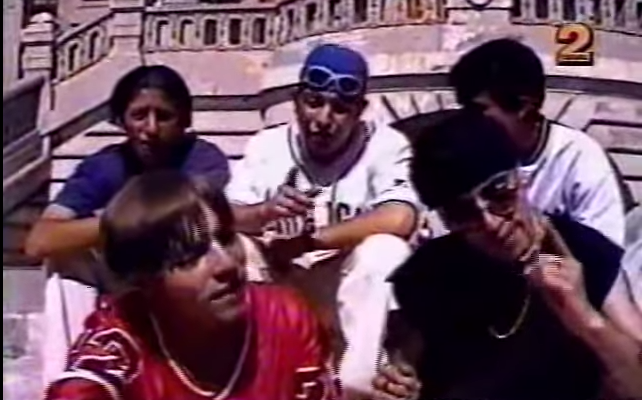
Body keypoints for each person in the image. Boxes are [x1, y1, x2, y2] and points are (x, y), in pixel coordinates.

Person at [389, 110, 642, 400]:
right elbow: (405, 366)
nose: (490, 222)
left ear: (521, 180)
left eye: (499, 193)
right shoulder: (428, 273)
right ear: (446, 220)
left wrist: (584, 316)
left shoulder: (585, 251)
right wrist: (398, 383)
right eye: (463, 212)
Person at [226, 43, 420, 396]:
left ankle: (358, 387)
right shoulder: (267, 145)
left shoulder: (385, 145)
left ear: (359, 111)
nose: (323, 119)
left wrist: (310, 240)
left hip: (343, 285)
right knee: (235, 247)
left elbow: (400, 217)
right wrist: (263, 213)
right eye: (314, 102)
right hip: (281, 282)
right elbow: (222, 216)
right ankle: (252, 377)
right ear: (296, 101)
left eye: (340, 108)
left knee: (385, 251)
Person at [43, 170, 340, 400]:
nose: (226, 264)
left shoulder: (283, 316)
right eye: (191, 256)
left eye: (226, 238)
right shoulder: (124, 338)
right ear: (146, 279)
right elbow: (80, 388)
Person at [25, 65, 230, 384]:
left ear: (185, 119)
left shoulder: (202, 160)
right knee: (65, 262)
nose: (150, 128)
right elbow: (39, 241)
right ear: (122, 120)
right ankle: (70, 382)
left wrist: (138, 217)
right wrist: (121, 221)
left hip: (181, 274)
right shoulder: (104, 166)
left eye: (164, 116)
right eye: (139, 116)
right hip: (123, 273)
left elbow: (198, 221)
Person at [449, 38, 627, 245]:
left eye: (478, 110)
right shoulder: (468, 158)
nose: (469, 120)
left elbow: (603, 252)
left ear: (524, 107)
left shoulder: (579, 159)